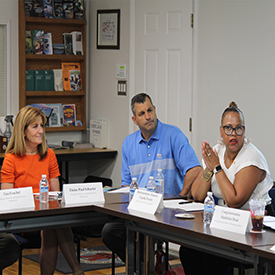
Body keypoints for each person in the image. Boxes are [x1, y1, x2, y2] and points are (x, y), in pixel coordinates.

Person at [102, 93, 201, 262]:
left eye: (149, 110)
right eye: (142, 114)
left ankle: (148, 264)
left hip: (169, 210)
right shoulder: (128, 143)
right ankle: (145, 265)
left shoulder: (173, 135)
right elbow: (126, 185)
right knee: (109, 232)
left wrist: (182, 195)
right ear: (135, 120)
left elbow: (195, 169)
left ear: (154, 110)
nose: (148, 117)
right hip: (140, 210)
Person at [179, 101, 274, 274]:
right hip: (226, 222)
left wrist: (217, 167)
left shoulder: (252, 157)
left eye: (238, 129)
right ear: (221, 131)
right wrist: (209, 168)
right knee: (188, 250)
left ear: (244, 131)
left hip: (255, 226)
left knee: (211, 256)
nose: (233, 134)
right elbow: (197, 195)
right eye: (228, 128)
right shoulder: (218, 151)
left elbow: (234, 200)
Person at [0, 106, 84, 275]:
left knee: (53, 224)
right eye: (35, 126)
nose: (41, 131)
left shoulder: (49, 154)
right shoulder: (11, 159)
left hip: (46, 214)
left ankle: (76, 272)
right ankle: (77, 271)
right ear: (23, 131)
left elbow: (56, 195)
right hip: (22, 218)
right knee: (53, 224)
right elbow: (7, 199)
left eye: (42, 126)